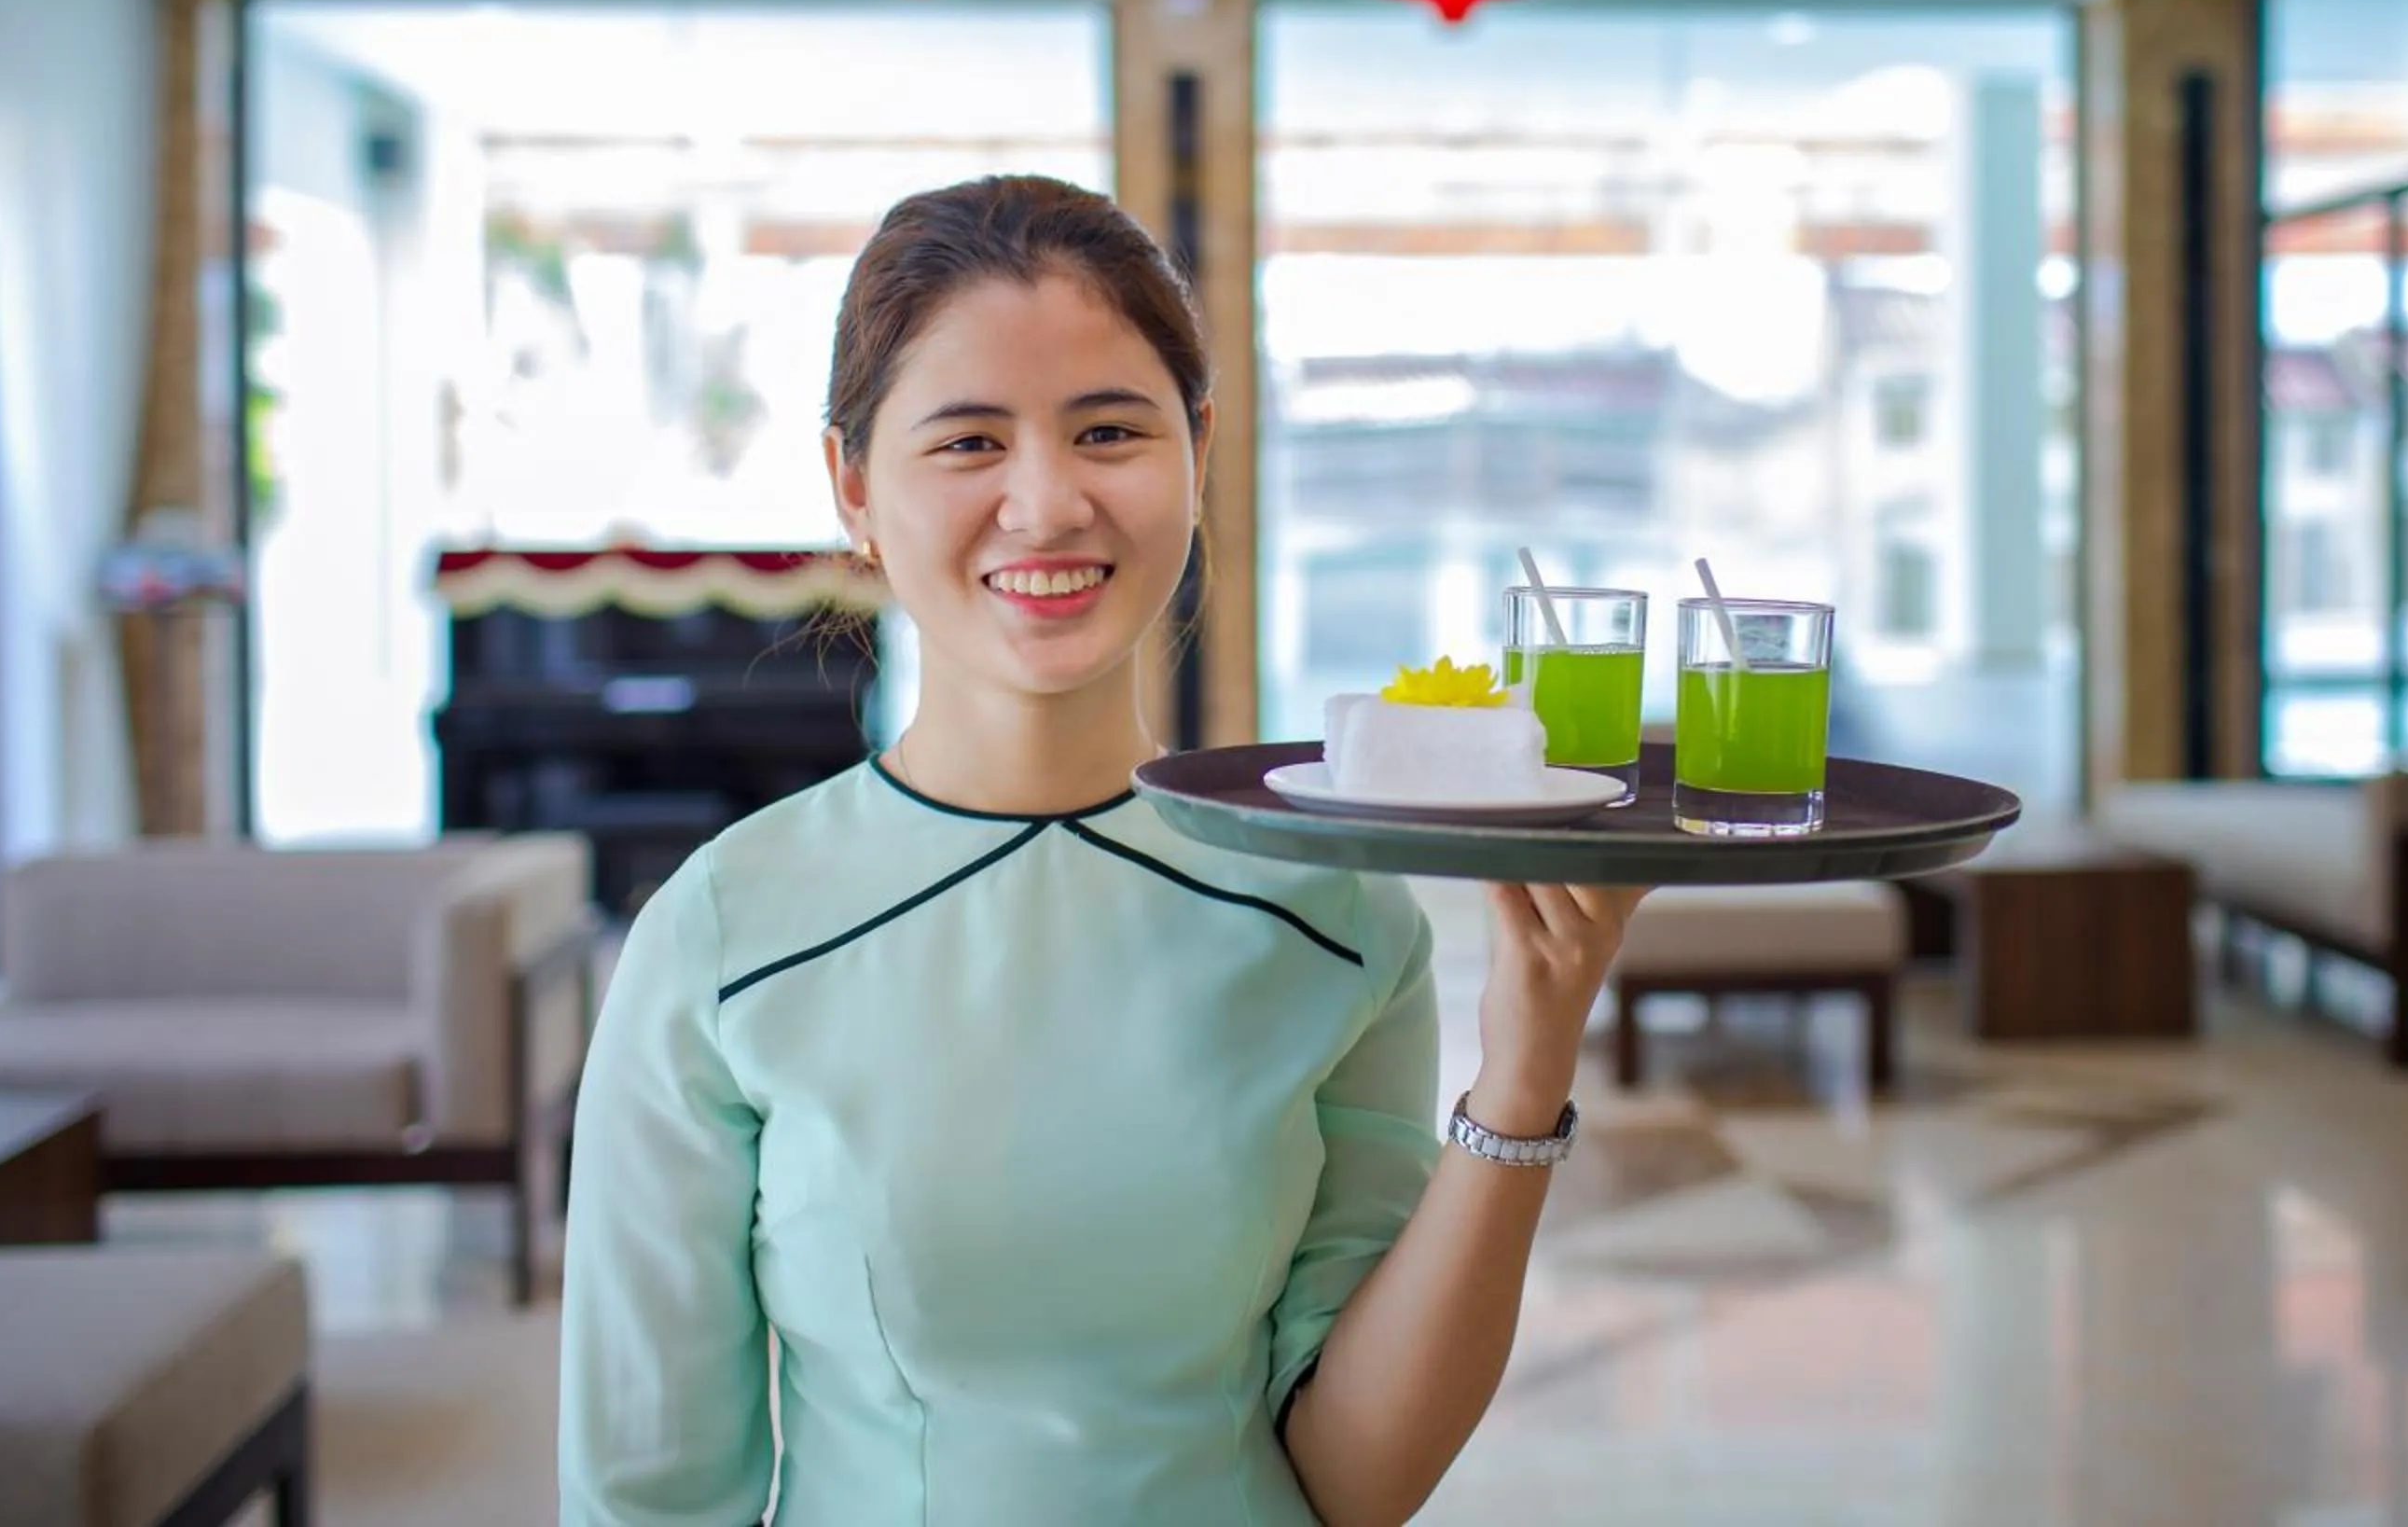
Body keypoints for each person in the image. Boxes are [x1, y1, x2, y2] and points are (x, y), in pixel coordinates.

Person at [559, 174, 1644, 1527]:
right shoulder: (725, 932)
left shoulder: (1337, 901)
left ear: (1197, 448)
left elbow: (1358, 1483)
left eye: (1107, 431)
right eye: (968, 443)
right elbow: (647, 1493)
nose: (1048, 504)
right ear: (852, 487)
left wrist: (1527, 1070)